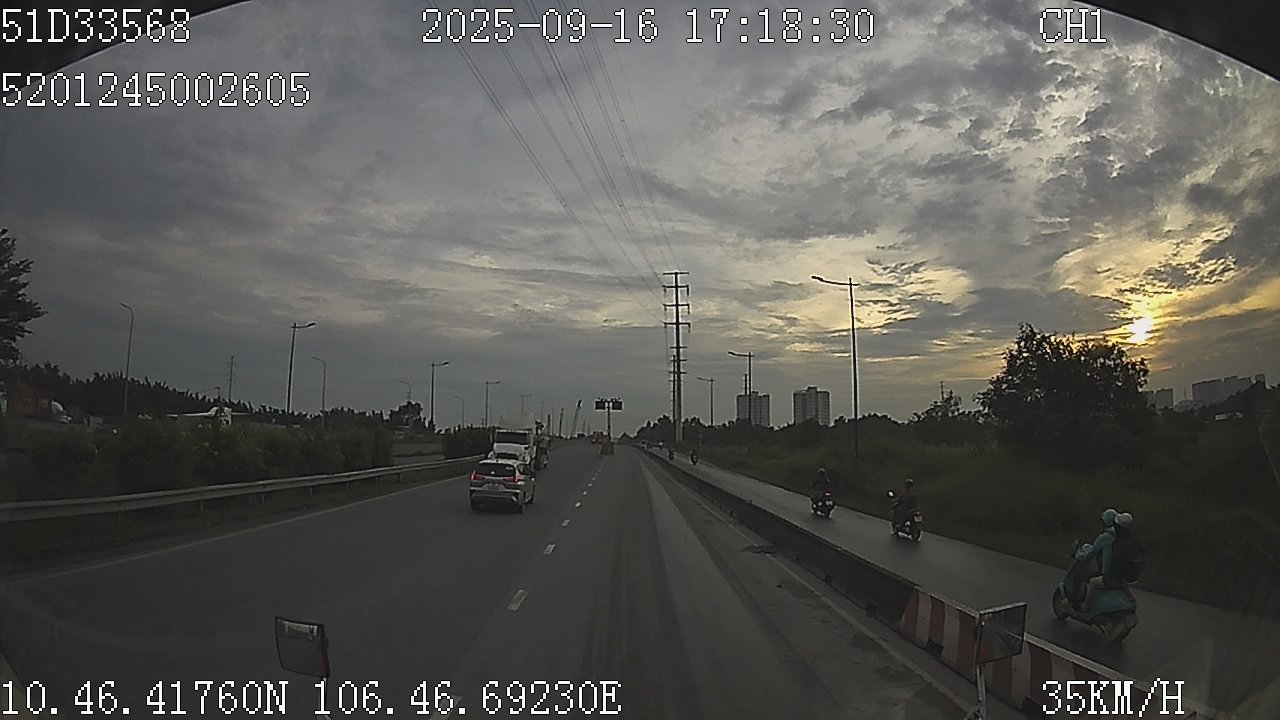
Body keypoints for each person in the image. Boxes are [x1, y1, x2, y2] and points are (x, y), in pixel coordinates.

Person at [1077, 508, 1120, 611]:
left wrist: (1078, 555)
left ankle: (1086, 606)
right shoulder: (1119, 536)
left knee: (1087, 579)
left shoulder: (1105, 537)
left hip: (1106, 572)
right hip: (1116, 571)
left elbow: (1091, 553)